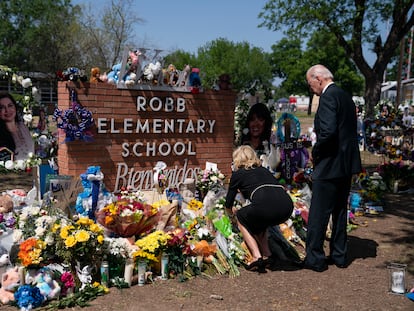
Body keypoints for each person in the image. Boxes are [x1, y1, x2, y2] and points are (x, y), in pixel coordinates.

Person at [304, 64, 362, 272]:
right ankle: (339, 254)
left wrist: (316, 153)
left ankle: (315, 258)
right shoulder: (345, 96)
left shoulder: (328, 97)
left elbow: (328, 133)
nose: (311, 89)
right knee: (339, 211)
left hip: (329, 164)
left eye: (310, 83)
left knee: (319, 213)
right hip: (345, 165)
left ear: (318, 78)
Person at [224, 145, 294, 273]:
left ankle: (257, 257)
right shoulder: (264, 170)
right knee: (259, 219)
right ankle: (268, 255)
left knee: (242, 216)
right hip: (287, 207)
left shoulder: (238, 174)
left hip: (266, 207)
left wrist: (231, 215)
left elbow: (228, 203)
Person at [0, 91, 34, 160]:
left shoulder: (23, 127)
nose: (7, 110)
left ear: (15, 107)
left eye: (10, 105)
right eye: (2, 107)